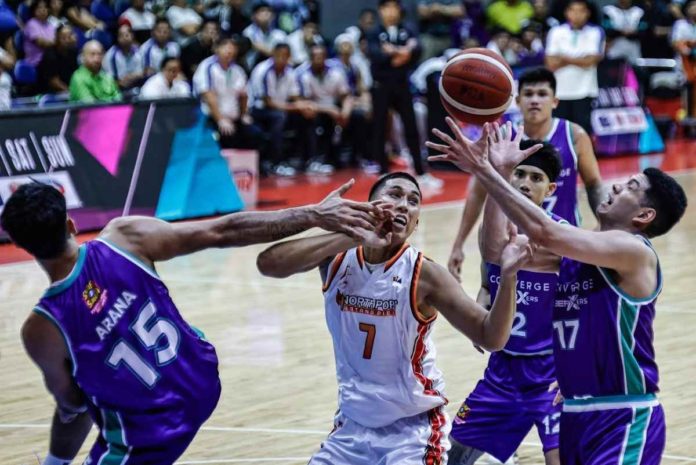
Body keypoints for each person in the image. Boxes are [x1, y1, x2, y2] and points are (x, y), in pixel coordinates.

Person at [1, 180, 388, 465]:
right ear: (71, 225)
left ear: (21, 245)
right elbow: (224, 231)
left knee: (90, 404)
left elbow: (72, 406)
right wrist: (312, 213)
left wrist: (55, 461)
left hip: (148, 437)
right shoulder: (124, 237)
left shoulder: (42, 328)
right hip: (201, 379)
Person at [427, 118, 687, 465]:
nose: (614, 187)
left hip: (623, 414)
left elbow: (546, 233)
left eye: (629, 186)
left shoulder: (634, 252)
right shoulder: (579, 251)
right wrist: (502, 172)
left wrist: (483, 169)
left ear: (644, 214)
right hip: (575, 410)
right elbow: (497, 250)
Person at [256, 172, 536, 465]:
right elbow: (269, 264)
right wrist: (353, 232)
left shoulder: (426, 275)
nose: (404, 205)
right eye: (394, 195)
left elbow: (491, 337)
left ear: (416, 223)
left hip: (413, 432)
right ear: (369, 205)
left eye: (413, 201)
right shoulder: (337, 257)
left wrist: (509, 278)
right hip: (351, 428)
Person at [448, 133, 566, 465]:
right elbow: (493, 252)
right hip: (503, 369)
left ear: (550, 190)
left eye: (536, 178)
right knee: (454, 455)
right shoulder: (496, 230)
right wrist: (486, 290)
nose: (526, 182)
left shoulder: (561, 237)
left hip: (550, 372)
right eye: (520, 174)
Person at [447, 67, 603, 280]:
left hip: (563, 245)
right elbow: (477, 193)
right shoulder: (503, 138)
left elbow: (594, 184)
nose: (535, 100)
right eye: (528, 95)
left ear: (555, 101)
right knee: (496, 305)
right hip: (509, 244)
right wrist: (458, 244)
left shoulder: (574, 135)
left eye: (542, 94)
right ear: (518, 101)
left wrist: (605, 226)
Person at [366, 0, 443, 188]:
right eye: (387, 8)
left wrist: (395, 52)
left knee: (411, 128)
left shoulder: (408, 29)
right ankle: (382, 171)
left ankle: (421, 171)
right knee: (380, 128)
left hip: (402, 85)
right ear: (381, 10)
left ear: (399, 10)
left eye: (394, 7)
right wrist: (401, 53)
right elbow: (377, 56)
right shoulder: (374, 32)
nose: (391, 12)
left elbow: (416, 51)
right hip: (381, 86)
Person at [247, 42, 316, 176]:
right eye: (279, 55)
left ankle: (309, 161)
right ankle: (276, 163)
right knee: (279, 117)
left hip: (281, 108)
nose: (282, 59)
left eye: (285, 56)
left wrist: (304, 106)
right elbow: (269, 103)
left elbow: (295, 96)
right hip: (258, 110)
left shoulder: (290, 72)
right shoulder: (263, 70)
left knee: (308, 115)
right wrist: (296, 107)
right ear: (273, 55)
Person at [545, 0, 605, 134]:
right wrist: (579, 59)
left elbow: (591, 61)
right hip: (560, 91)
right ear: (567, 12)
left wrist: (564, 58)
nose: (577, 14)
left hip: (585, 90)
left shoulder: (596, 32)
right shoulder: (556, 32)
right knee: (559, 132)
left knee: (582, 132)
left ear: (587, 13)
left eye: (581, 10)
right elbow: (551, 63)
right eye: (573, 10)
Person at [193, 37, 257, 149]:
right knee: (226, 136)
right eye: (226, 49)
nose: (229, 52)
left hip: (234, 116)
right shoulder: (207, 67)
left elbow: (243, 95)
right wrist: (220, 119)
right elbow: (208, 96)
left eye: (232, 49)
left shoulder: (237, 70)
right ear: (217, 49)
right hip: (211, 117)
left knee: (254, 134)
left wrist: (243, 115)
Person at [242, 1, 287, 69]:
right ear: (254, 16)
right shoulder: (248, 31)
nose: (266, 14)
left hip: (274, 67)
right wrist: (275, 53)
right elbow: (256, 47)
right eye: (262, 11)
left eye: (269, 11)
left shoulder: (279, 34)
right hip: (252, 67)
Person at [102, 24, 144, 91]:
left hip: (136, 85)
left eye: (127, 35)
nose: (125, 38)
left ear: (132, 36)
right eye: (121, 35)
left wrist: (131, 77)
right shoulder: (111, 56)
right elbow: (112, 81)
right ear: (117, 38)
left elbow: (141, 74)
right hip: (117, 89)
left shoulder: (138, 52)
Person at [24, 0, 56, 66]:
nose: (43, 10)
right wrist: (56, 43)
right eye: (39, 8)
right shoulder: (31, 23)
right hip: (36, 61)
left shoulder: (50, 25)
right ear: (34, 10)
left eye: (45, 7)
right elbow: (41, 42)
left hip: (50, 58)